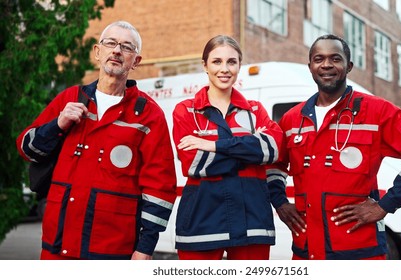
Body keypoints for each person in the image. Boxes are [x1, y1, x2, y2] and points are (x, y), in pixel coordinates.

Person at [270, 34, 401, 260]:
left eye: (335, 58)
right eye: (318, 59)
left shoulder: (377, 111)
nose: (327, 65)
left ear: (348, 66)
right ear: (310, 66)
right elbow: (275, 166)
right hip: (306, 250)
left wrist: (385, 205)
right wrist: (281, 203)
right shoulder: (293, 119)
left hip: (360, 250)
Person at [16, 21, 177, 260]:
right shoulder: (70, 98)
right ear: (97, 52)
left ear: (136, 61)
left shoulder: (148, 115)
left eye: (126, 47)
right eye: (110, 43)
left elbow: (160, 188)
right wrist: (57, 125)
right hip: (57, 247)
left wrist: (145, 248)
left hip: (113, 250)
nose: (116, 50)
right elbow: (27, 150)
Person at [172, 35, 286, 260]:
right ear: (204, 65)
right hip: (201, 223)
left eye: (231, 62)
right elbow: (194, 163)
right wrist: (251, 152)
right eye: (217, 62)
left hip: (252, 223)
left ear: (239, 65)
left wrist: (213, 146)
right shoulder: (186, 111)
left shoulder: (255, 111)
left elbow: (272, 149)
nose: (224, 69)